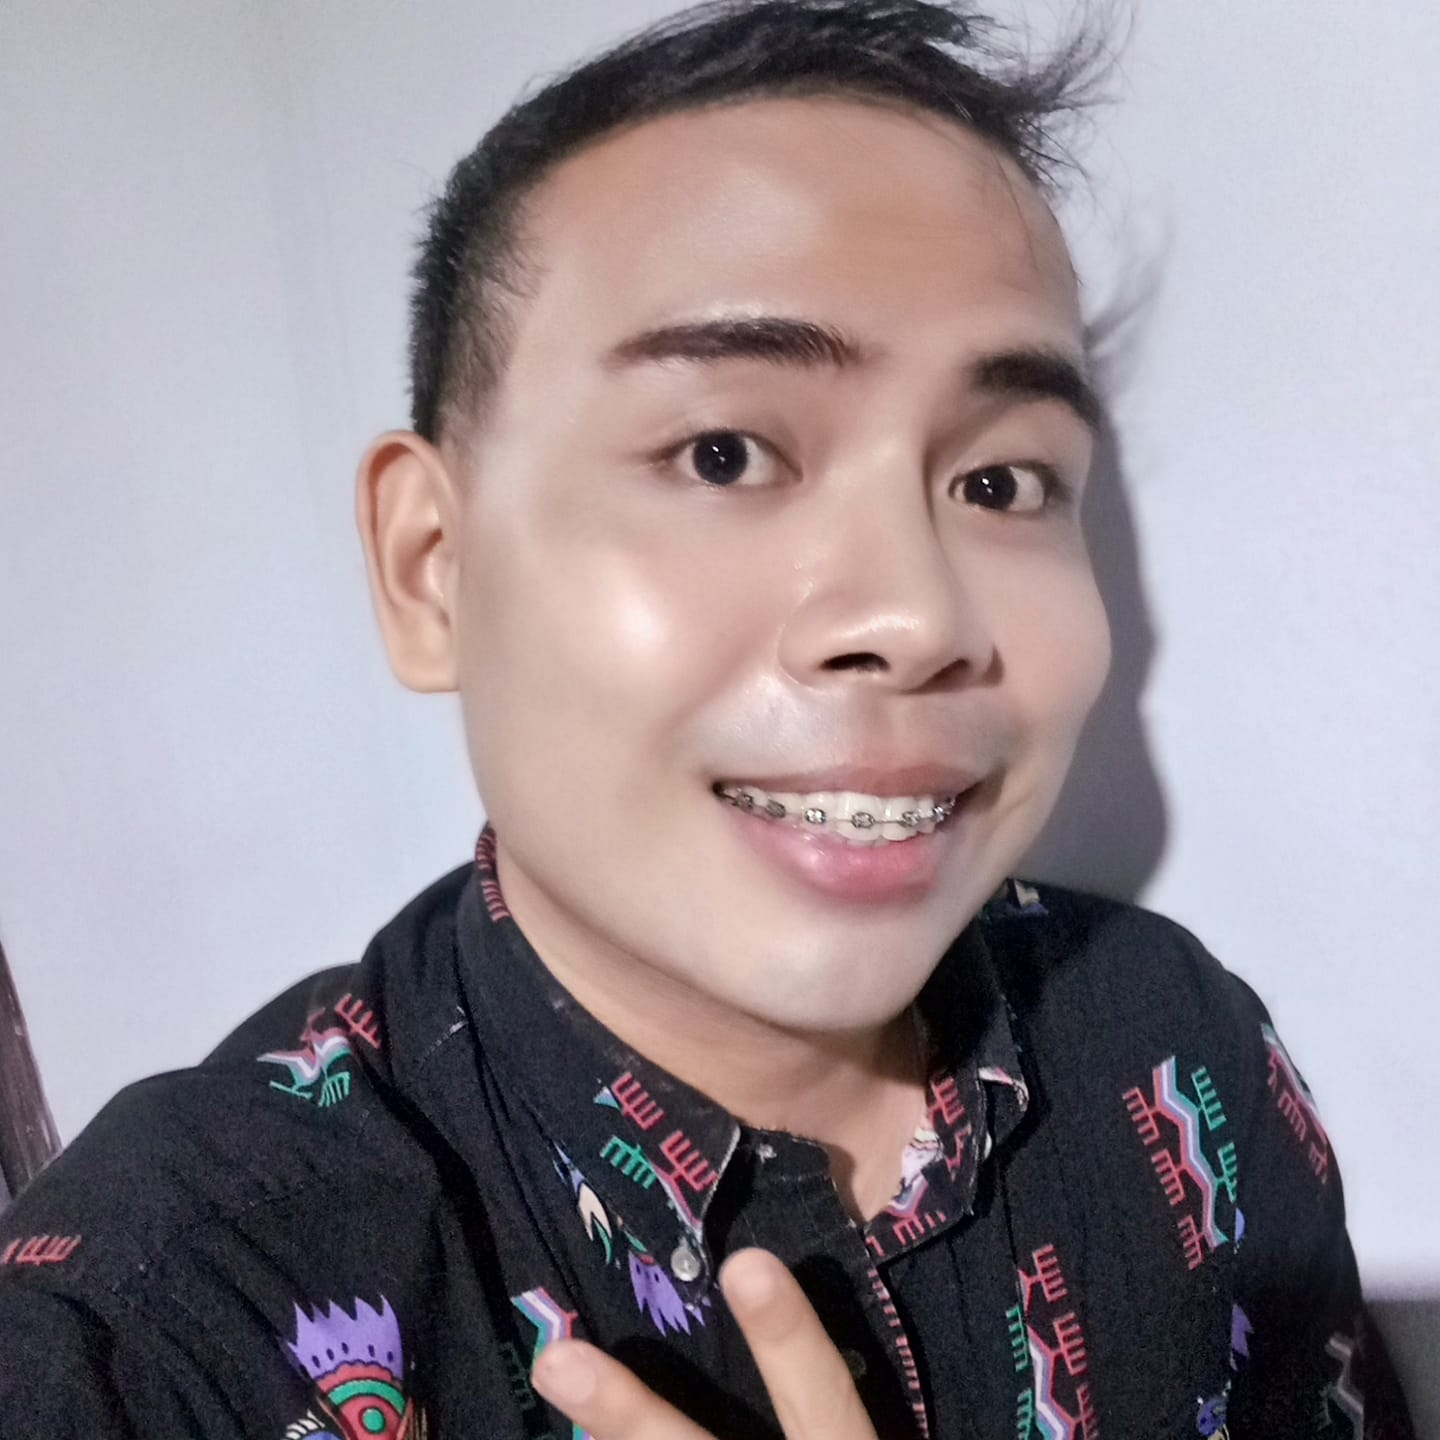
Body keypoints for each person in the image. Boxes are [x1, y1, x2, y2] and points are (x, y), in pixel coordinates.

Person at [0, 1, 1414, 1436]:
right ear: (433, 566)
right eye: (725, 453)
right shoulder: (157, 1329)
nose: (916, 615)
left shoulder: (1174, 1039)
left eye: (999, 483)